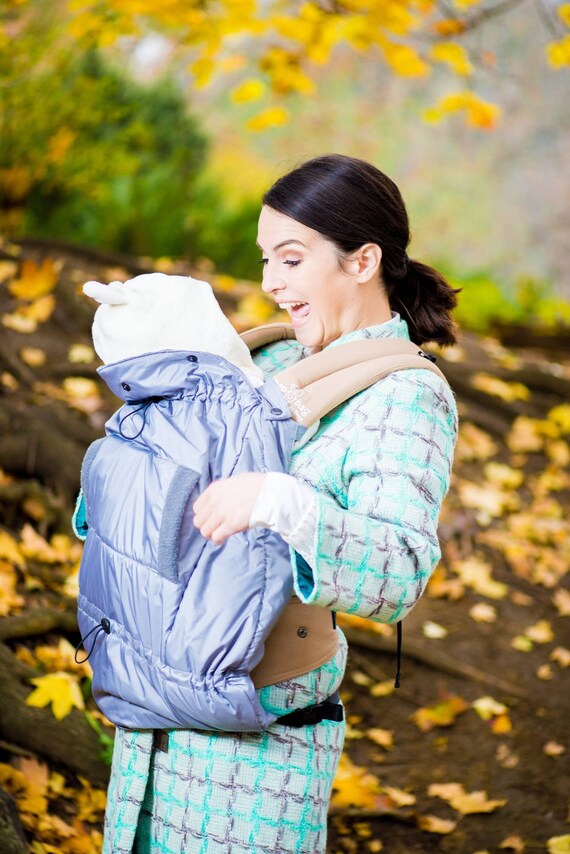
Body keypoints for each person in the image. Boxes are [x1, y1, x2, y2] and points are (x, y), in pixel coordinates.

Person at [103, 153, 459, 854]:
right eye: (267, 259)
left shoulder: (407, 396)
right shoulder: (260, 360)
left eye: (290, 260)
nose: (270, 283)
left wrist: (280, 501)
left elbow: (399, 575)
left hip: (253, 763)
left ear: (362, 261)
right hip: (148, 729)